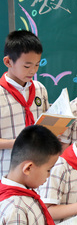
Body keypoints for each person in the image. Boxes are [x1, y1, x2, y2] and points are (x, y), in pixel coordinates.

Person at [0, 30, 49, 178]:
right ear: (8, 62)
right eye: (27, 66)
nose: (33, 71)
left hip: (37, 171)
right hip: (6, 172)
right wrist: (17, 143)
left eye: (37, 65)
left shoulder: (40, 89)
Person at [0, 125, 61, 224]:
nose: (48, 176)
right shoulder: (16, 209)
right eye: (48, 170)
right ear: (28, 168)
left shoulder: (23, 194)